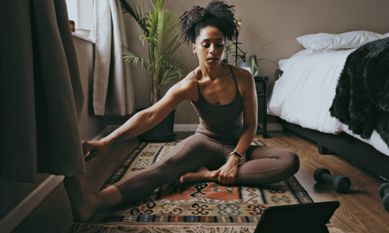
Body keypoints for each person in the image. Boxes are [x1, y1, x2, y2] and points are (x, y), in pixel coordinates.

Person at [78, 0, 299, 222]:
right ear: (194, 46)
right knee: (163, 169)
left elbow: (250, 126)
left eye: (219, 44)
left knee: (289, 160)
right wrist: (107, 141)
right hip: (204, 143)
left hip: (238, 145)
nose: (213, 51)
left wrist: (234, 158)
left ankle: (207, 175)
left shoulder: (242, 78)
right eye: (206, 44)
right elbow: (150, 115)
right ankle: (96, 201)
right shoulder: (190, 84)